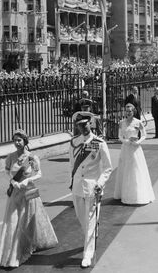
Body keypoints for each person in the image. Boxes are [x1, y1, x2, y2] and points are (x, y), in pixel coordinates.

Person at [0, 129, 58, 268]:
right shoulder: (10, 157)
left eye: (19, 140)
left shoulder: (32, 158)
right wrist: (12, 181)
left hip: (29, 191)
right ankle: (12, 254)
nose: (17, 143)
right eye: (15, 140)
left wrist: (26, 181)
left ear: (25, 141)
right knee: (13, 222)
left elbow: (39, 173)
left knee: (27, 221)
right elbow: (7, 171)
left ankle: (26, 246)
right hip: (15, 193)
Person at [69, 112, 112, 268]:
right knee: (83, 220)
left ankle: (88, 254)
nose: (83, 127)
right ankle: (92, 235)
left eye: (85, 123)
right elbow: (71, 165)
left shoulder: (98, 142)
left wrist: (100, 184)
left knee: (90, 220)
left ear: (91, 123)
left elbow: (108, 168)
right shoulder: (73, 142)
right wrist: (71, 182)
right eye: (80, 125)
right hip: (77, 188)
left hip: (92, 188)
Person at [113, 103, 155, 205]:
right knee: (125, 169)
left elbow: (144, 135)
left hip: (135, 149)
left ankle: (137, 194)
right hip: (126, 148)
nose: (128, 113)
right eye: (127, 111)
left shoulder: (138, 122)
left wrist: (138, 141)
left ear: (133, 112)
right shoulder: (121, 123)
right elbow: (119, 136)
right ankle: (123, 193)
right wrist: (126, 141)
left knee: (136, 169)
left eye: (130, 111)